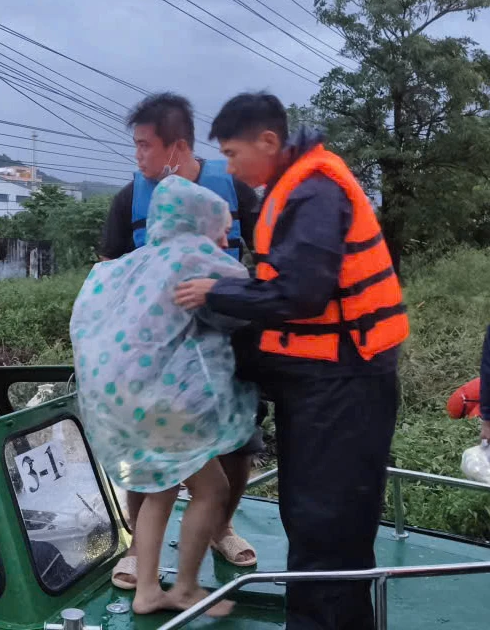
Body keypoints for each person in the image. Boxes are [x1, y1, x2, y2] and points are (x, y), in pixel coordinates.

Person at [174, 93, 408, 630]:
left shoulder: (316, 191)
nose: (230, 168)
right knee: (312, 519)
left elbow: (300, 295)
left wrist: (215, 293)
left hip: (344, 382)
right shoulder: (297, 186)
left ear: (269, 142)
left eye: (233, 154)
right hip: (322, 382)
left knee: (327, 526)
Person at [73, 175, 258, 617]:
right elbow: (246, 306)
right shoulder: (199, 259)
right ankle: (189, 586)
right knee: (212, 489)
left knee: (160, 489)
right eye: (221, 225)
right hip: (170, 402)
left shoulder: (134, 263)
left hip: (126, 400)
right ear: (200, 221)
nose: (225, 235)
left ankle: (148, 590)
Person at [98, 93, 262, 589]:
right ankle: (137, 549)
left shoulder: (234, 191)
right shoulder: (130, 199)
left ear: (177, 148)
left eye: (145, 146)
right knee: (142, 443)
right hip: (155, 351)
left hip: (224, 344)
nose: (138, 157)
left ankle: (220, 529)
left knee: (237, 443)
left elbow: (270, 267)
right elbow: (108, 269)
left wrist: (227, 289)